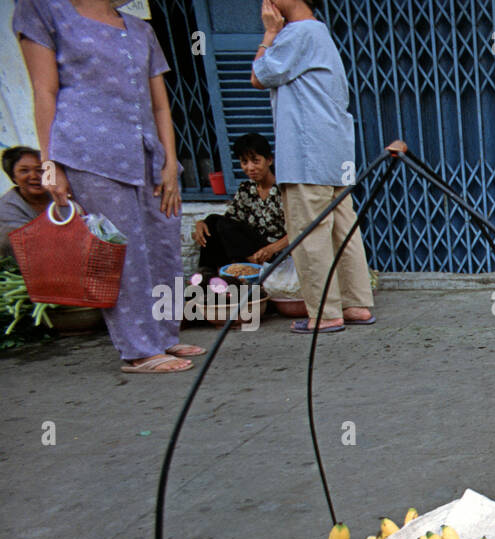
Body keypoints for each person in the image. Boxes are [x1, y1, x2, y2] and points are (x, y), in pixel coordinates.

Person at [14, 0, 202, 373]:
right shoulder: (42, 10)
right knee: (121, 252)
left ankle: (164, 336)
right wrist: (51, 164)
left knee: (163, 247)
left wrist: (168, 163)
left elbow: (161, 107)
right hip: (90, 154)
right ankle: (138, 350)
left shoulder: (140, 29)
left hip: (148, 154)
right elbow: (44, 92)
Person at [252, 0, 373, 333]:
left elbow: (259, 77)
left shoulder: (296, 33)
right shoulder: (319, 33)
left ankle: (326, 313)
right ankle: (355, 303)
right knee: (343, 230)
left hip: (306, 151)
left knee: (310, 233)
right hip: (334, 150)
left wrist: (269, 33)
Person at [192, 132, 288, 275]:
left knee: (218, 223)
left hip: (275, 250)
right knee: (212, 222)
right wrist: (201, 223)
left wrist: (271, 249)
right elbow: (228, 223)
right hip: (251, 249)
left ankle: (236, 269)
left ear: (269, 160)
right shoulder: (246, 189)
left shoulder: (284, 190)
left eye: (256, 161)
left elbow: (298, 229)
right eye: (244, 162)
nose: (250, 168)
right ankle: (207, 275)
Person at [0, 146, 48, 259]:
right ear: (13, 177)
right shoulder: (6, 209)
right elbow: (32, 247)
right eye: (24, 170)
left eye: (40, 170)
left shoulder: (58, 195)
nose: (34, 176)